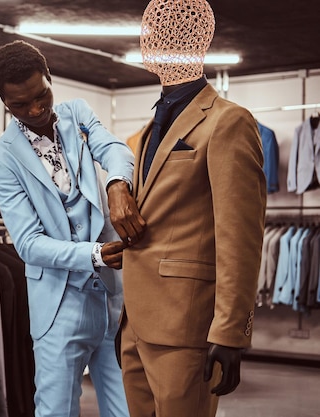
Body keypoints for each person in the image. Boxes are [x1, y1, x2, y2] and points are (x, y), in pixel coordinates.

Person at [115, 1, 268, 417]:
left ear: (194, 41)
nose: (146, 40)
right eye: (146, 31)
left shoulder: (228, 122)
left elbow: (240, 236)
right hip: (135, 325)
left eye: (154, 31)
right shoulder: (147, 130)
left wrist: (231, 332)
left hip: (186, 328)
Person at [0, 40, 146, 417]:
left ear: (50, 78)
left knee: (128, 408)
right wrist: (94, 254)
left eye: (42, 96)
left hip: (111, 299)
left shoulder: (78, 114)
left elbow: (115, 149)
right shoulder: (1, 159)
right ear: (4, 103)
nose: (36, 110)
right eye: (20, 105)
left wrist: (117, 182)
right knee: (56, 411)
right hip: (58, 306)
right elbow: (29, 244)